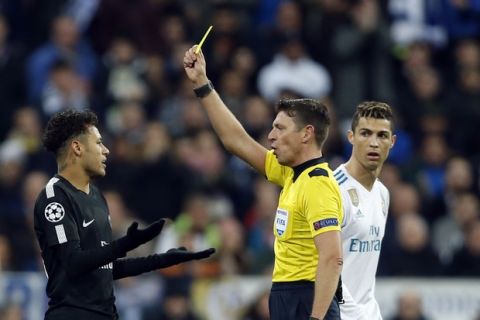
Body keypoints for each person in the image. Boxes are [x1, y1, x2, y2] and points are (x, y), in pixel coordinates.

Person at [184, 46, 343, 320]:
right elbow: (236, 141)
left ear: (307, 134)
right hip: (286, 296)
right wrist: (202, 84)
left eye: (279, 128)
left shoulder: (318, 184)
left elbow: (332, 258)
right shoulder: (291, 174)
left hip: (307, 298)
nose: (270, 136)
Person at [33, 109, 215, 320]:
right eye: (99, 143)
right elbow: (73, 263)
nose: (106, 150)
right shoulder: (55, 197)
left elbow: (104, 269)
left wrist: (162, 260)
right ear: (77, 147)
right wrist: (125, 244)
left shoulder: (97, 197)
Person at [333, 102, 396, 319]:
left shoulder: (382, 194)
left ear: (392, 141)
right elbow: (320, 264)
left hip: (369, 312)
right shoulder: (333, 190)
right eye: (365, 133)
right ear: (351, 137)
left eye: (382, 135)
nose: (374, 143)